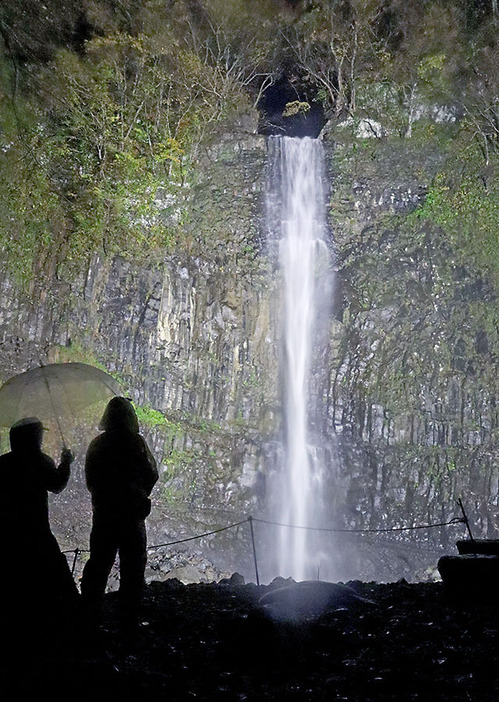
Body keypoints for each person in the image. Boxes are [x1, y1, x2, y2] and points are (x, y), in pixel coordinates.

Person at [80, 397, 158, 634]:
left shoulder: (97, 445)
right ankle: (128, 619)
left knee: (99, 564)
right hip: (132, 516)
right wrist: (140, 495)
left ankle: (91, 616)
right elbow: (151, 473)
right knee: (133, 567)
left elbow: (90, 480)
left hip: (104, 516)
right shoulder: (136, 443)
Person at [0, 417, 77, 631]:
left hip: (8, 533)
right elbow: (57, 484)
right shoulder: (41, 461)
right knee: (52, 573)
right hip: (37, 530)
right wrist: (66, 462)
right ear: (34, 438)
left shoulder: (2, 464)